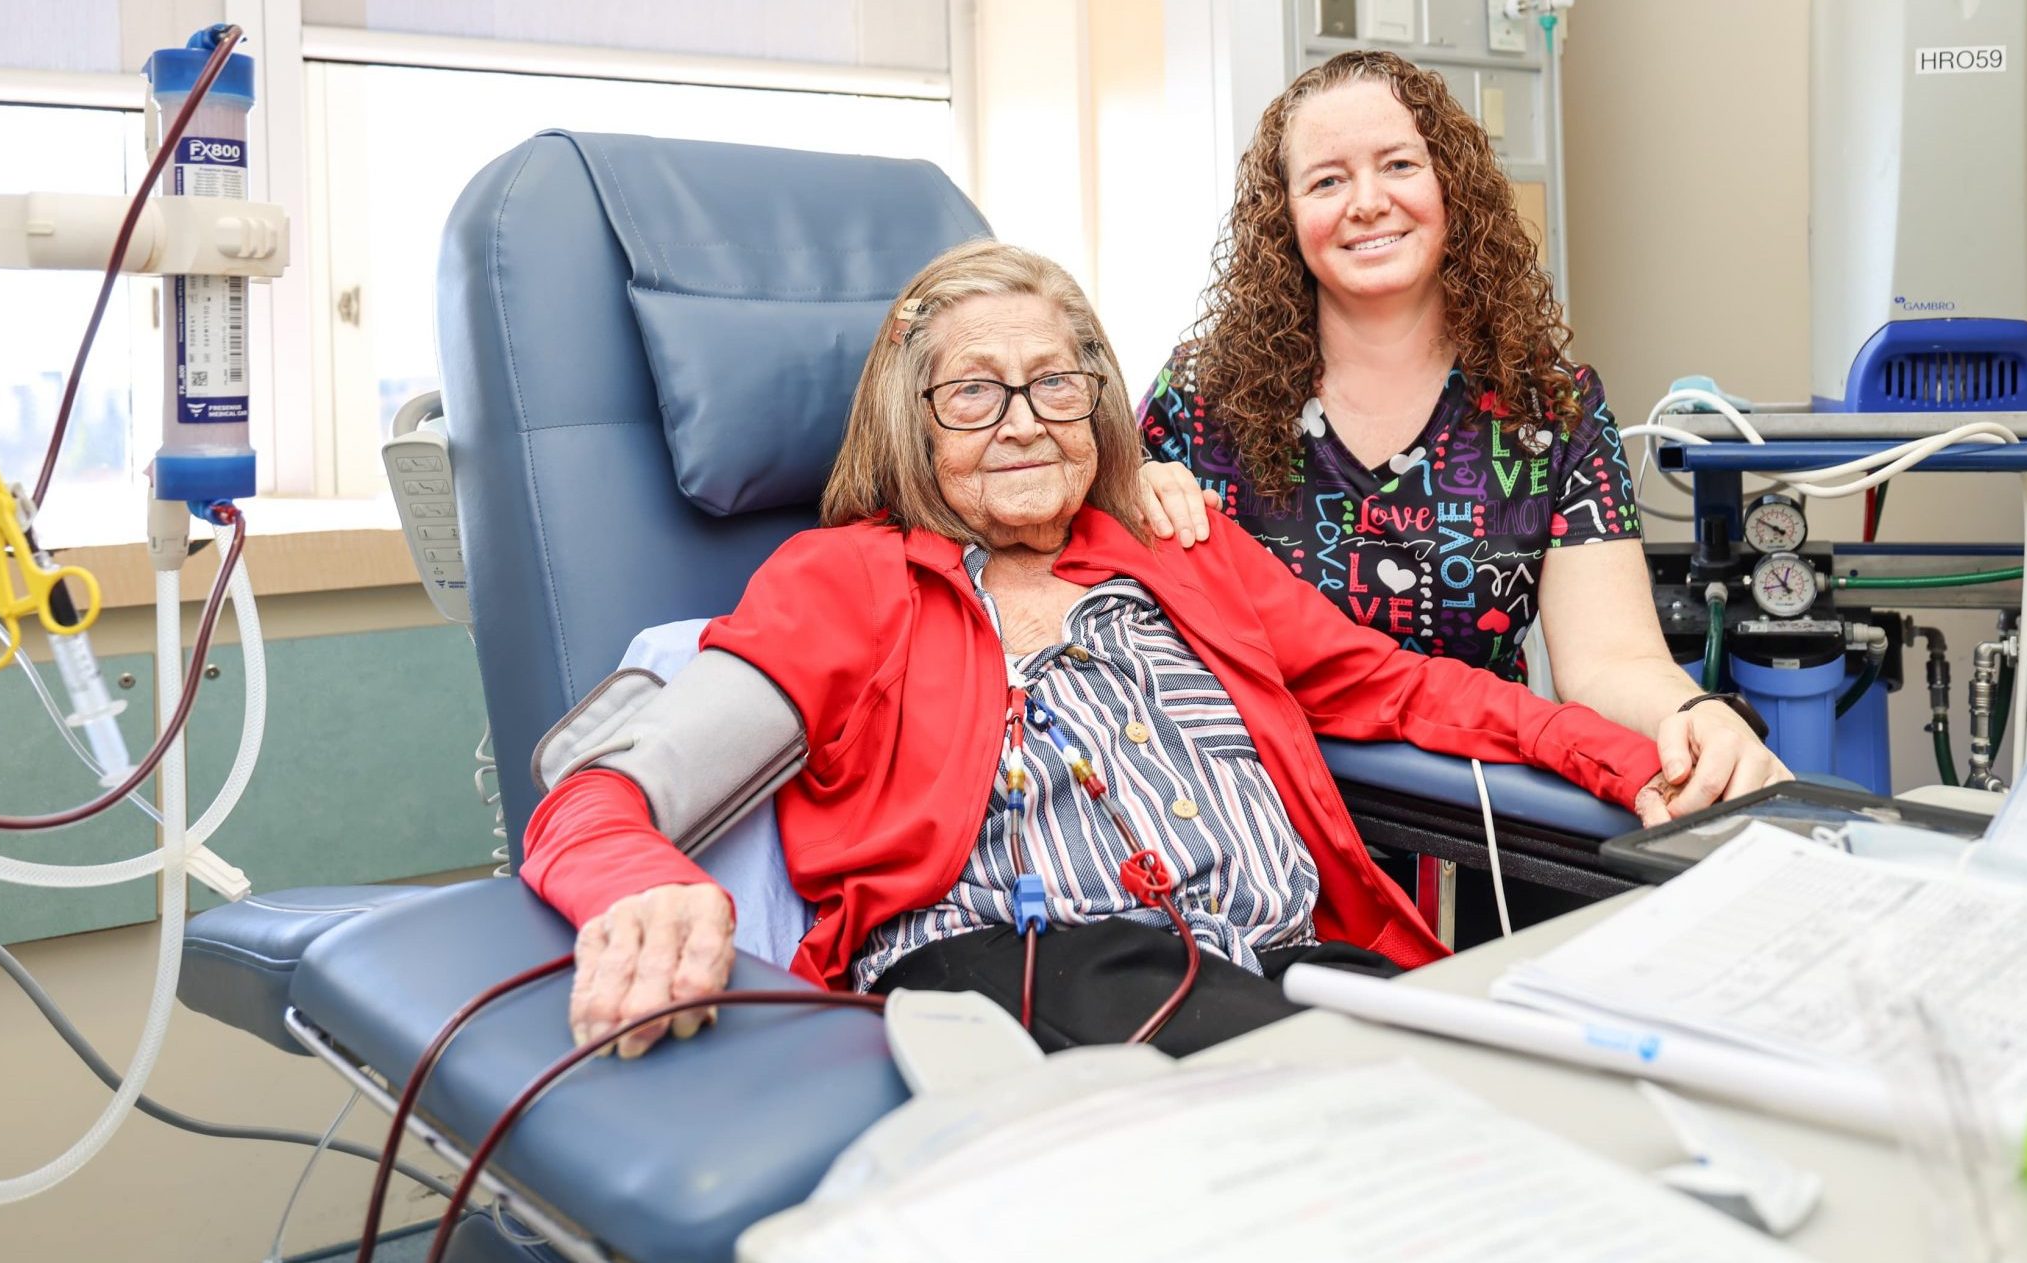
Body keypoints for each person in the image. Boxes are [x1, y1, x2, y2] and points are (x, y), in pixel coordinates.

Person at [519, 240, 1678, 1059]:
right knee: (1374, 1134)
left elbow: (1404, 690)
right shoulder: (845, 580)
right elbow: (603, 799)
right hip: (1011, 967)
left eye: (1054, 384)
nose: (1023, 420)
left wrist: (1638, 756)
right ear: (908, 422)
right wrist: (646, 889)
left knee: (1523, 1087)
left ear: (1098, 405)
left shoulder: (1180, 548)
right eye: (972, 393)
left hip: (1287, 957)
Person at [1136, 50, 1789, 805]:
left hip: (1481, 821)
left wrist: (1694, 716)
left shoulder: (1551, 410)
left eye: (1399, 165)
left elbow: (1610, 659)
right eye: (1326, 180)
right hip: (1256, 823)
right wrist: (1133, 488)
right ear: (1284, 216)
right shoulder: (1200, 397)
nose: (1367, 201)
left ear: (1453, 187)